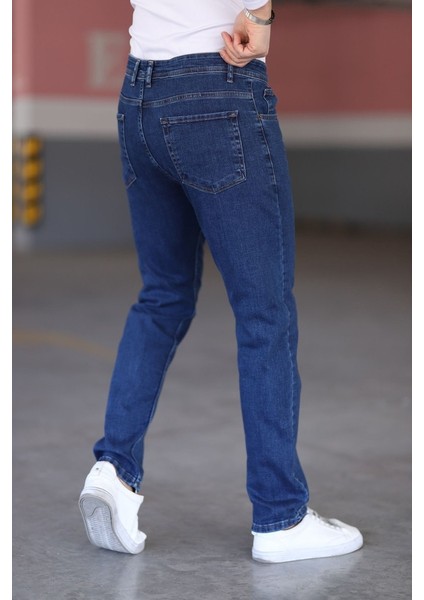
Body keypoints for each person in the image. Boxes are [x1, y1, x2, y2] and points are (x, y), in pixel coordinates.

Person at [79, 0, 363, 563]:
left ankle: (113, 470)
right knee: (264, 312)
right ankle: (281, 516)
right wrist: (260, 15)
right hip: (218, 84)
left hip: (140, 93)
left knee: (161, 298)